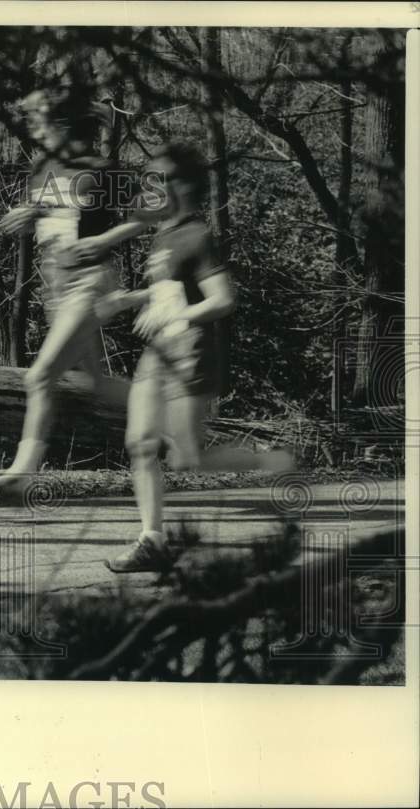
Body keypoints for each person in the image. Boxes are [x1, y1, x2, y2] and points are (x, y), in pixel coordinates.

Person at [72, 142, 292, 573]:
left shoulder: (197, 235)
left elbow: (222, 300)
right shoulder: (164, 233)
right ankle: (152, 540)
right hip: (158, 354)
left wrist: (175, 314)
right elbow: (167, 291)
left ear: (185, 186)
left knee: (186, 459)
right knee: (139, 443)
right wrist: (126, 300)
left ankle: (274, 459)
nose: (149, 185)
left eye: (159, 178)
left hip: (192, 351)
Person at [0, 90, 149, 493]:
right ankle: (168, 413)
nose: (34, 130)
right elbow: (44, 218)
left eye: (40, 121)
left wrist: (106, 238)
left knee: (40, 377)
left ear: (63, 124)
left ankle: (21, 474)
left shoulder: (101, 169)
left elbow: (152, 210)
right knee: (94, 383)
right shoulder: (44, 168)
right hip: (54, 286)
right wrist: (23, 217)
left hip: (89, 282)